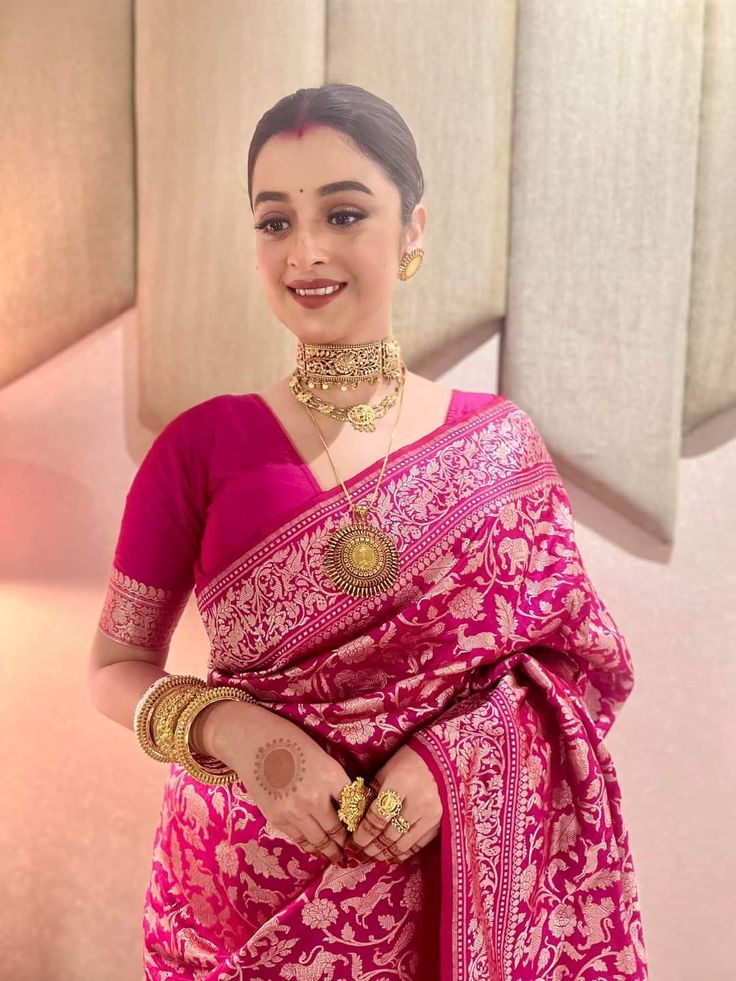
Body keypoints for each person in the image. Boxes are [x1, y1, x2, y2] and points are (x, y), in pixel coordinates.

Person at [88, 82, 648, 980]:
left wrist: (451, 767)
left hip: (448, 897)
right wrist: (233, 730)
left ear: (413, 230)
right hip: (240, 898)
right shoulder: (197, 447)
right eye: (275, 223)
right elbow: (115, 666)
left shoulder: (496, 444)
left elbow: (580, 669)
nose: (305, 252)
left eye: (343, 213)